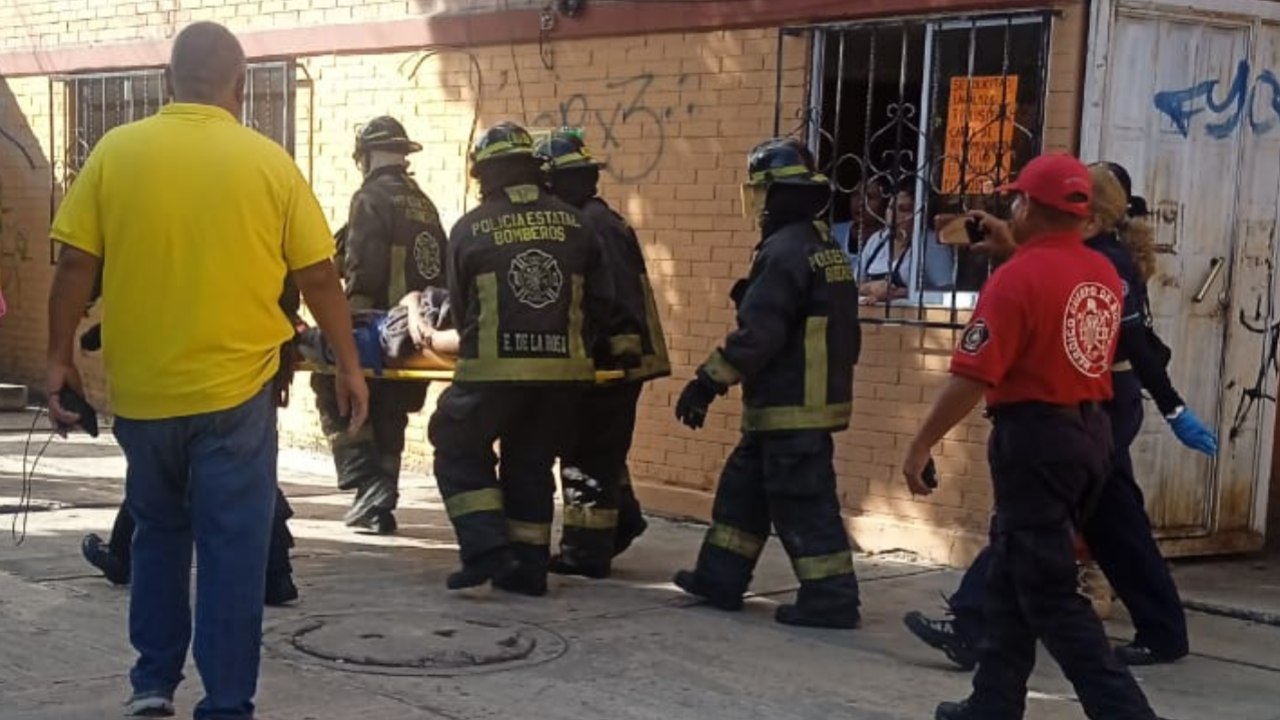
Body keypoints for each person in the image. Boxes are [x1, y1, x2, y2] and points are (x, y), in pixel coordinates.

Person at [44, 21, 368, 720]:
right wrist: (349, 366)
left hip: (145, 394)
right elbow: (319, 275)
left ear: (168, 82)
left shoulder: (114, 152)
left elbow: (75, 264)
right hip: (238, 394)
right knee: (232, 548)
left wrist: (57, 357)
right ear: (240, 85)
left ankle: (152, 684)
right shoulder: (269, 163)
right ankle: (226, 702)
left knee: (159, 534)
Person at [902, 162, 1217, 671]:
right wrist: (1015, 248)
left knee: (1029, 524)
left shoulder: (1103, 265)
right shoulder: (1092, 260)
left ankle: (973, 624)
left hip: (1087, 409)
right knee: (1116, 523)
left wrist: (1174, 407)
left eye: (1023, 202)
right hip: (1096, 410)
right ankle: (1162, 630)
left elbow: (1135, 342)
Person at [429, 121, 627, 596]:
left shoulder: (469, 228)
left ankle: (484, 546)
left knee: (456, 443)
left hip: (492, 372)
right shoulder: (577, 223)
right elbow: (603, 302)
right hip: (563, 377)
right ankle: (528, 571)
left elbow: (459, 309)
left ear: (485, 175)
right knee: (530, 464)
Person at [671, 137, 862, 629]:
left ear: (779, 194)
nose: (757, 207)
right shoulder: (823, 247)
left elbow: (759, 333)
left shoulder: (784, 252)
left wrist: (706, 383)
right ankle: (720, 577)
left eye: (763, 194)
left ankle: (831, 597)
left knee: (802, 501)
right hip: (799, 402)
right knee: (744, 491)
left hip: (791, 404)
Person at [80, 276, 303, 606]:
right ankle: (274, 574)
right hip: (254, 363)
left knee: (165, 470)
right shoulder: (267, 227)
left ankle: (122, 556)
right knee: (246, 474)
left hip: (193, 367)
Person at [534, 129, 669, 578]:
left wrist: (599, 359)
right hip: (614, 361)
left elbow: (611, 304)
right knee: (602, 449)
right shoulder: (592, 219)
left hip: (612, 364)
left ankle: (585, 553)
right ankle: (623, 521)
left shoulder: (590, 226)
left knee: (586, 454)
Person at [311, 115, 448, 535]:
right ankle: (377, 505)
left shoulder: (369, 198)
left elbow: (363, 269)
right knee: (390, 415)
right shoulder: (423, 202)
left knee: (327, 379)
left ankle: (364, 484)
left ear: (366, 156)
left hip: (381, 326)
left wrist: (345, 334)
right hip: (420, 329)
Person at [858, 186, 954, 302]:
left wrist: (902, 293)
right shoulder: (877, 240)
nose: (894, 215)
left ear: (919, 214)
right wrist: (869, 288)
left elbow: (945, 294)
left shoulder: (932, 243)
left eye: (903, 210)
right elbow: (852, 286)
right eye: (891, 208)